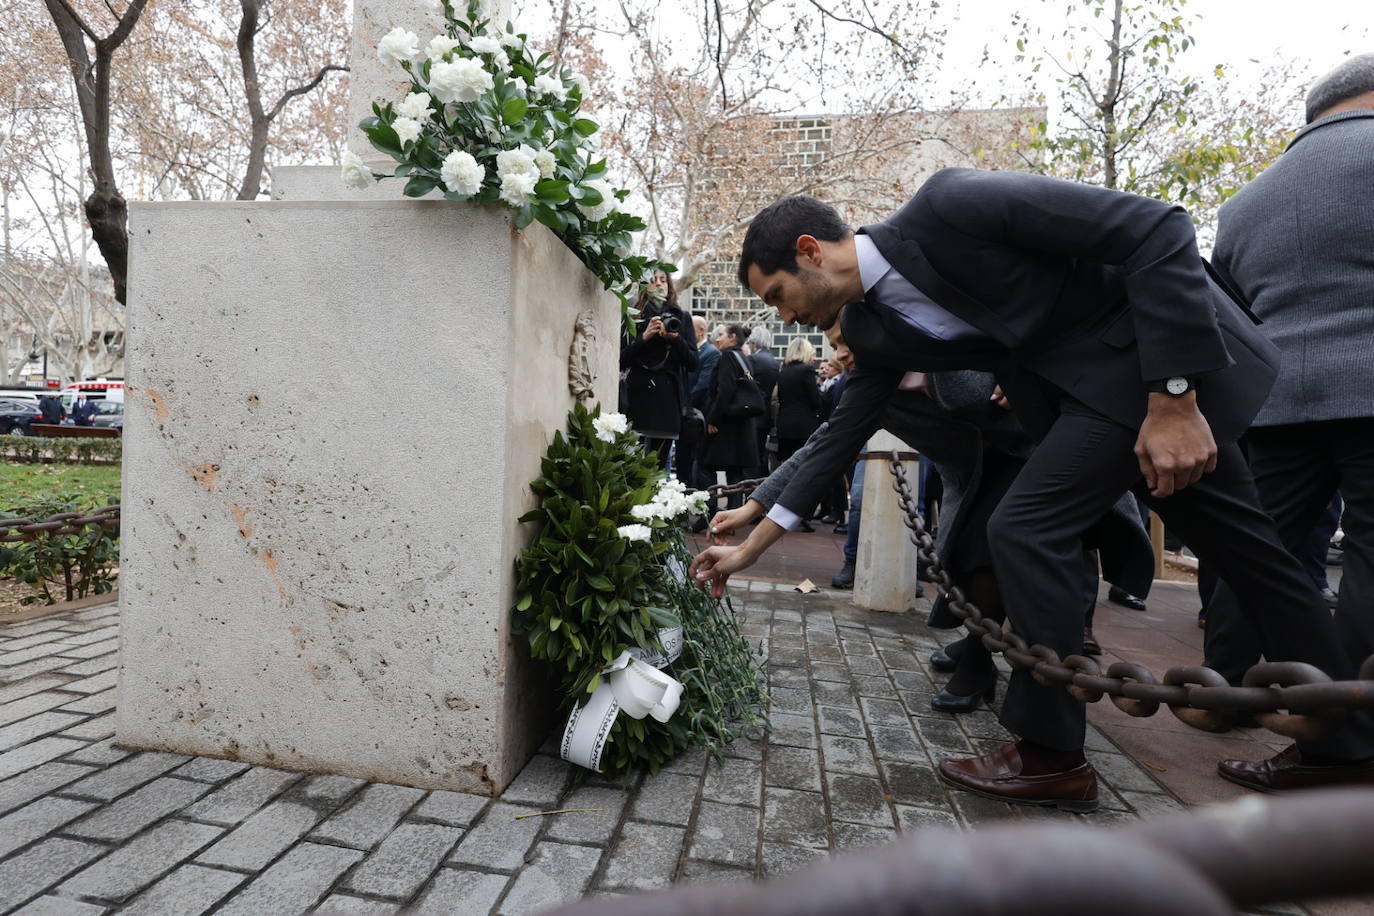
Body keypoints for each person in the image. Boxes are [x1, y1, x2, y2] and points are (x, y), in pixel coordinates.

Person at [691, 174, 1374, 810]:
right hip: (1093, 409)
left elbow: (1157, 228)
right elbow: (840, 435)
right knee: (1258, 560)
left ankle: (1052, 757)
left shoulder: (951, 205)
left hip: (1155, 380)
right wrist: (753, 540)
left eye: (776, 294)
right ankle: (1345, 748)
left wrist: (1172, 397)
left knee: (1023, 528)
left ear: (810, 251)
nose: (781, 318)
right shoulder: (872, 328)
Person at [712, 320, 1153, 712]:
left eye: (847, 341)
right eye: (834, 345)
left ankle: (997, 675)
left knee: (992, 549)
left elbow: (1025, 330)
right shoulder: (873, 388)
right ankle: (982, 650)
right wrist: (751, 509)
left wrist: (1016, 375)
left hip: (1036, 454)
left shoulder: (950, 345)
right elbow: (820, 448)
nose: (841, 354)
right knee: (969, 555)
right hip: (973, 472)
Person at [1203, 55, 1374, 687]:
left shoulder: (1244, 202)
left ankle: (1220, 684)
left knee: (1258, 552)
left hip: (1275, 402)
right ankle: (1349, 728)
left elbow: (1233, 309)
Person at [619, 271, 698, 473]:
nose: (659, 284)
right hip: (636, 399)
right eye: (653, 281)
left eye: (663, 280)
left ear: (670, 286)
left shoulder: (681, 318)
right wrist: (644, 337)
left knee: (658, 469)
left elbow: (692, 363)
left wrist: (675, 339)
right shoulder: (632, 316)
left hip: (667, 402)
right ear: (645, 287)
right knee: (629, 466)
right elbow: (621, 360)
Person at [700, 324, 760, 509]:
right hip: (741, 426)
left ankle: (708, 512)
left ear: (733, 337)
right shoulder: (744, 357)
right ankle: (733, 514)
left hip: (726, 425)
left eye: (722, 335)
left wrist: (714, 420)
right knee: (735, 475)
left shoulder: (727, 356)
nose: (718, 339)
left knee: (704, 467)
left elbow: (725, 391)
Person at [680, 314, 719, 493]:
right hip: (684, 415)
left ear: (701, 331)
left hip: (697, 416)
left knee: (694, 462)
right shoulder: (689, 351)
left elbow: (702, 386)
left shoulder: (711, 353)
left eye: (690, 328)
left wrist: (683, 404)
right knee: (684, 462)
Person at [745, 326, 780, 479]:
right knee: (762, 454)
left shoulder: (753, 360)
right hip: (766, 415)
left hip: (752, 414)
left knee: (752, 456)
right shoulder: (774, 361)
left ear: (753, 342)